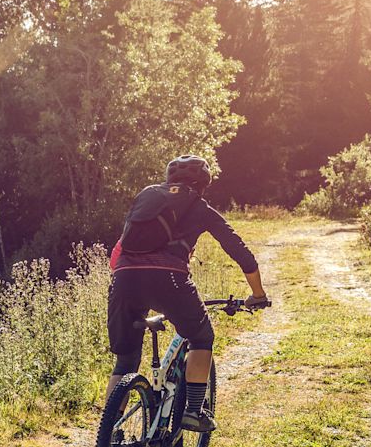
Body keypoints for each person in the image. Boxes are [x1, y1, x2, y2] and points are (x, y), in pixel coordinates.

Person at [106, 154, 269, 432]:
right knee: (202, 336)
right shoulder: (199, 207)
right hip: (170, 279)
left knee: (126, 360)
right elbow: (240, 252)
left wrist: (130, 281)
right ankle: (194, 411)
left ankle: (110, 432)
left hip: (124, 278)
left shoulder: (147, 196)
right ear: (203, 184)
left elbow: (117, 255)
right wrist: (258, 294)